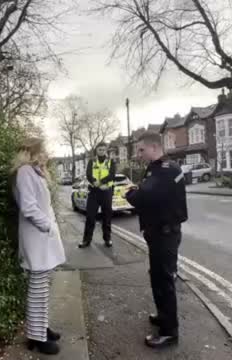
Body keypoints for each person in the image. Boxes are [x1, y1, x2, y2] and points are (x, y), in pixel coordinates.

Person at [124, 131, 188, 349]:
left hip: (164, 234)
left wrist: (130, 193)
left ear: (154, 147)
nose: (139, 154)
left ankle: (169, 332)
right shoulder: (164, 168)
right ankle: (163, 316)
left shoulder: (164, 171)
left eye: (141, 150)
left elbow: (142, 197)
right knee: (158, 278)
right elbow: (151, 194)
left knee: (163, 281)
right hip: (162, 233)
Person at [11, 137, 66, 355]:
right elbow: (29, 207)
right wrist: (48, 227)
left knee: (41, 288)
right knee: (37, 290)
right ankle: (36, 337)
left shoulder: (34, 171)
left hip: (42, 238)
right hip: (37, 237)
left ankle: (41, 328)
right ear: (32, 152)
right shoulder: (25, 172)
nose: (46, 155)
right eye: (43, 151)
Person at [79, 142, 117, 248]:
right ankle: (86, 240)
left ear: (106, 150)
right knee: (90, 217)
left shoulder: (111, 161)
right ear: (96, 150)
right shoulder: (92, 161)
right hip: (94, 192)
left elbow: (112, 175)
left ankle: (107, 239)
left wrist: (101, 182)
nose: (102, 151)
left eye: (103, 150)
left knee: (107, 217)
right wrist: (94, 181)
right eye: (100, 150)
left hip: (106, 191)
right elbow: (88, 174)